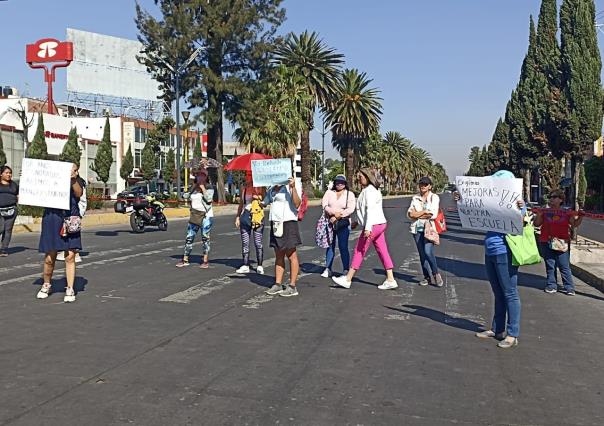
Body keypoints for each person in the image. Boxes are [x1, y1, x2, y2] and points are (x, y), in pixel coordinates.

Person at [455, 170, 525, 349]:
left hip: (505, 252)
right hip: (490, 250)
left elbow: (523, 221)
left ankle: (512, 333)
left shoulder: (518, 204)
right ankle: (497, 328)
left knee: (510, 292)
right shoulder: (491, 203)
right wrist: (461, 198)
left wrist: (521, 207)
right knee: (498, 292)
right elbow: (474, 207)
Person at [332, 168, 398, 290]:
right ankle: (390, 279)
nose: (358, 178)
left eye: (361, 176)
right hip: (378, 224)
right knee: (382, 250)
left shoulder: (370, 192)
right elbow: (363, 209)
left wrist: (368, 228)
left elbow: (370, 210)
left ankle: (348, 279)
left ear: (368, 177)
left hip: (373, 225)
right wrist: (357, 222)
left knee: (359, 250)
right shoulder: (370, 190)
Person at [36, 163, 84, 303]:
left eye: (74, 170)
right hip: (52, 218)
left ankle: (70, 287)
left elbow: (78, 193)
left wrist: (73, 179)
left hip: (70, 219)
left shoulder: (77, 182)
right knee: (50, 256)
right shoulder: (50, 180)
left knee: (70, 256)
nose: (72, 171)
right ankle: (46, 284)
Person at [533, 189, 583, 296]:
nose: (551, 199)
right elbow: (536, 224)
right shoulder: (545, 211)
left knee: (564, 265)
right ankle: (551, 285)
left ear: (561, 199)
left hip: (562, 242)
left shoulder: (566, 212)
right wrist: (539, 214)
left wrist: (581, 217)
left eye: (554, 197)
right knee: (550, 265)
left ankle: (569, 287)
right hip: (546, 240)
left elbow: (574, 224)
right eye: (550, 197)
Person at [263, 177, 302, 297]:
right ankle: (278, 284)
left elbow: (297, 204)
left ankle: (292, 286)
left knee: (291, 254)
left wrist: (293, 187)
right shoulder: (272, 187)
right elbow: (265, 202)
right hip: (275, 222)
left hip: (288, 222)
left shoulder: (292, 184)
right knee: (278, 253)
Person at [407, 176, 444, 287]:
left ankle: (436, 273)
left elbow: (433, 214)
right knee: (422, 254)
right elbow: (410, 214)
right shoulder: (415, 198)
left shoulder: (434, 197)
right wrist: (423, 212)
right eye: (421, 184)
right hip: (416, 229)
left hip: (430, 229)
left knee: (428, 252)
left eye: (425, 184)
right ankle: (426, 277)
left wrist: (417, 214)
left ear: (430, 186)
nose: (423, 186)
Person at [176, 169, 214, 268]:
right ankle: (185, 259)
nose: (200, 177)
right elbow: (185, 196)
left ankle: (205, 260)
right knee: (189, 237)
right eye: (198, 175)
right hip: (194, 215)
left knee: (205, 238)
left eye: (202, 175)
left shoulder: (209, 187)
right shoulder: (193, 187)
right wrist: (192, 186)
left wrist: (203, 188)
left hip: (206, 216)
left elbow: (209, 200)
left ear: (206, 177)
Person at [320, 174, 356, 278]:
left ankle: (345, 269)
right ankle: (328, 268)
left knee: (343, 246)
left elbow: (350, 209)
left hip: (343, 223)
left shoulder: (350, 194)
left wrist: (338, 216)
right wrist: (332, 213)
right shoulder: (329, 192)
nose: (339, 184)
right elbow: (324, 205)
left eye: (341, 182)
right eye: (337, 182)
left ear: (345, 183)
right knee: (330, 245)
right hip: (330, 222)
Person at [235, 178, 266, 274]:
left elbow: (265, 202)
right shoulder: (244, 190)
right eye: (248, 176)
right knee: (245, 242)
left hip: (257, 217)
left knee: (258, 242)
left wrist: (257, 197)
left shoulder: (261, 188)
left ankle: (260, 265)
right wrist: (237, 216)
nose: (249, 178)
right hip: (245, 217)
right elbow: (241, 204)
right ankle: (245, 264)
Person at [0, 165, 19, 257]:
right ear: (1, 174)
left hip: (12, 210)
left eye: (10, 173)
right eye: (6, 173)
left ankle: (4, 249)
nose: (9, 175)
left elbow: (18, 195)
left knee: (8, 230)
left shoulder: (14, 185)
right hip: (0, 210)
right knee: (1, 228)